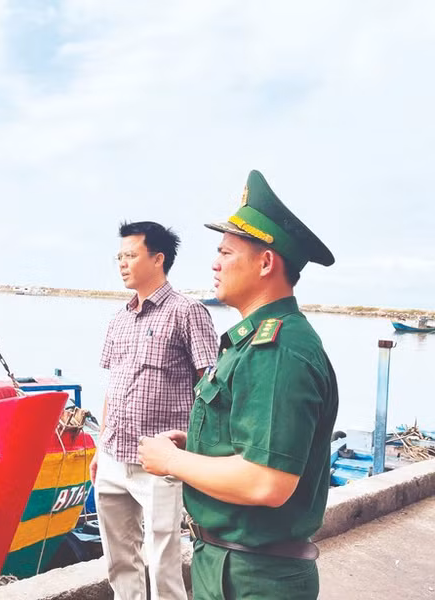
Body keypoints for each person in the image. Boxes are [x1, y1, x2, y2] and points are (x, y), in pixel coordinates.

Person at [138, 170, 339, 599]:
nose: (215, 263)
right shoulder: (253, 342)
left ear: (266, 263)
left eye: (226, 252)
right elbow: (248, 444)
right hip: (230, 562)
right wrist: (196, 447)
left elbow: (267, 482)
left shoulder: (279, 349)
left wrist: (170, 462)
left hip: (255, 577)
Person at [92, 221, 218, 600]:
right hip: (114, 458)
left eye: (130, 255)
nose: (122, 263)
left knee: (163, 562)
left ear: (158, 258)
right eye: (120, 256)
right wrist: (100, 448)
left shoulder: (187, 312)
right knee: (118, 562)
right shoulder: (119, 318)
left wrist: (195, 455)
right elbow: (112, 387)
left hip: (161, 465)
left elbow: (210, 388)